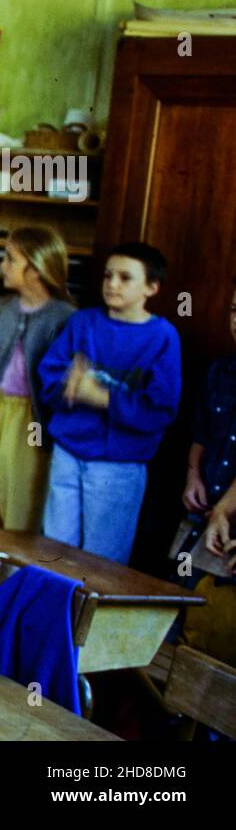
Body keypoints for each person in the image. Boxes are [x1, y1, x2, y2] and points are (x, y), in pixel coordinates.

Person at [38, 242, 181, 564]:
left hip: (117, 466)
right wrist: (67, 384)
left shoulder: (163, 337)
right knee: (53, 552)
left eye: (125, 277)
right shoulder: (82, 322)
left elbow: (160, 409)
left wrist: (101, 396)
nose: (112, 284)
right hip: (67, 453)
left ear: (151, 287)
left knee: (100, 561)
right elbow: (49, 375)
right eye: (107, 275)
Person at [0, 227, 75, 532]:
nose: (2, 266)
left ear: (36, 269)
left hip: (31, 423)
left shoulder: (64, 317)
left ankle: (10, 578)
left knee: (21, 507)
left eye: (10, 259)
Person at [181, 277, 236, 666]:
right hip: (202, 512)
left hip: (230, 527)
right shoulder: (220, 370)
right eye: (235, 310)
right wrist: (193, 474)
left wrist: (224, 509)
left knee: (219, 639)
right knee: (182, 612)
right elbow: (201, 429)